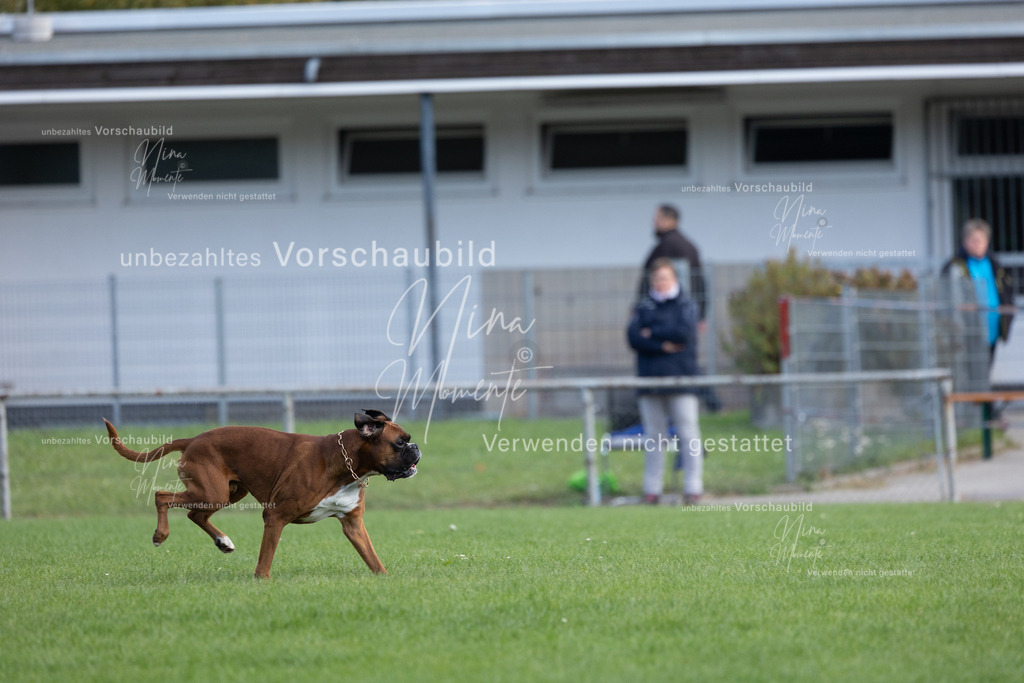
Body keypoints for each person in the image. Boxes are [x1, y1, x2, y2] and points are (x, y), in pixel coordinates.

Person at [627, 258, 703, 505]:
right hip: (650, 379)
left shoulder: (686, 304)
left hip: (681, 378)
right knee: (654, 436)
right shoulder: (644, 306)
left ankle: (693, 488)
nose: (661, 283)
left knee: (688, 432)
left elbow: (684, 334)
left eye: (665, 278)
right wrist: (663, 344)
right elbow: (634, 337)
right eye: (657, 278)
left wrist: (653, 334)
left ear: (675, 280)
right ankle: (652, 490)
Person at [941, 218, 1014, 360]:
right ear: (965, 241)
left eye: (981, 239)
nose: (978, 243)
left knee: (985, 371)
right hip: (966, 332)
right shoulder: (955, 266)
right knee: (969, 372)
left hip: (992, 330)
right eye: (973, 239)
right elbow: (946, 293)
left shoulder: (995, 265)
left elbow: (1007, 292)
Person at [640, 204, 707, 327]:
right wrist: (701, 313)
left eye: (657, 219)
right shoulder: (689, 246)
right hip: (687, 312)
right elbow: (700, 282)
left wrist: (640, 306)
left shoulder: (666, 246)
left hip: (666, 313)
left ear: (669, 220)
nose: (653, 223)